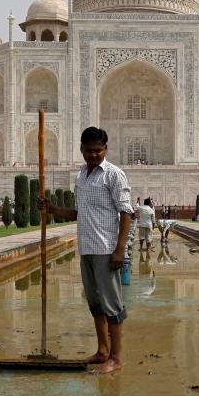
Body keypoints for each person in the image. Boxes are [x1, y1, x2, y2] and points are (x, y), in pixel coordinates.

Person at [41, 127, 133, 374]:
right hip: (87, 247)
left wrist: (119, 250)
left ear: (105, 149)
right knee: (95, 303)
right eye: (89, 150)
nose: (93, 155)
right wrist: (52, 209)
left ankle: (115, 358)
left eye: (98, 150)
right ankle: (102, 350)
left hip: (106, 248)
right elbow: (79, 212)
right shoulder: (81, 175)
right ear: (81, 149)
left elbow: (126, 212)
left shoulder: (114, 175)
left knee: (113, 305)